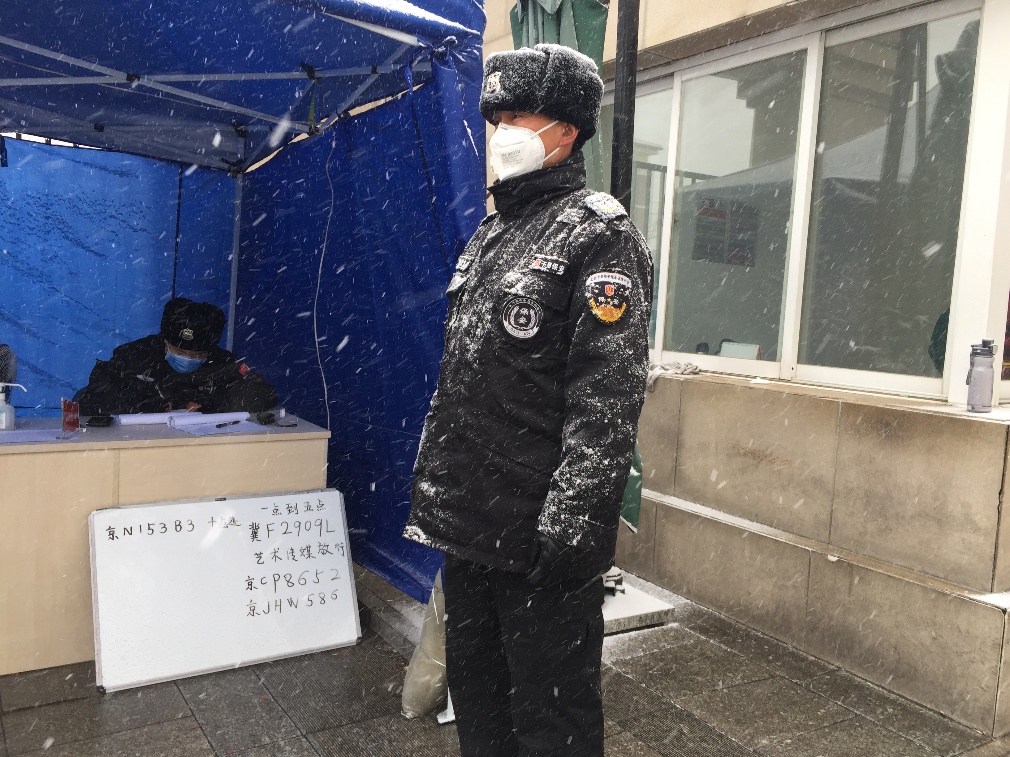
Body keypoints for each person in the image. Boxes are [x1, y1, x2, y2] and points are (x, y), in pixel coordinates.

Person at [402, 43, 652, 757]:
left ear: (566, 130)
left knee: (551, 718)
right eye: (496, 118)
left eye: (517, 117)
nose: (501, 132)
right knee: (480, 702)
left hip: (539, 540)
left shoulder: (599, 237)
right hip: (469, 526)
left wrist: (572, 523)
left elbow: (607, 396)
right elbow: (469, 378)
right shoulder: (493, 233)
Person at [77, 297, 276, 415]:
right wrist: (141, 405)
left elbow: (262, 395)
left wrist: (211, 404)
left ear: (210, 350)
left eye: (197, 354)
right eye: (179, 352)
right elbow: (92, 396)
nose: (187, 358)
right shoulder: (134, 355)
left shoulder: (223, 363)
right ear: (165, 341)